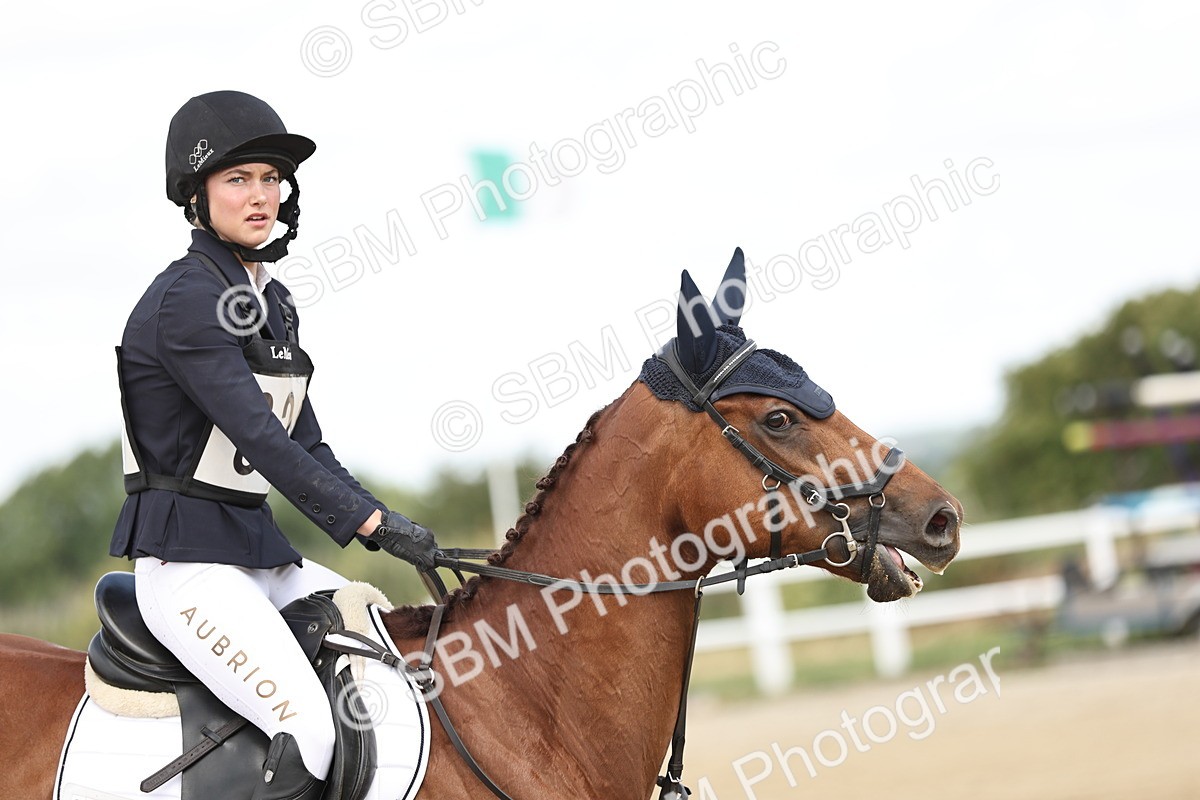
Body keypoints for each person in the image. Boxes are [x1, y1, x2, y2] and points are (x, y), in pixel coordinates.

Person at [109, 90, 438, 800]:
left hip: (261, 555)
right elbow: (259, 439)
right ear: (196, 196)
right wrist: (370, 524)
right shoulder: (186, 300)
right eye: (238, 179)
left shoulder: (271, 302)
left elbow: (307, 443)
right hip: (190, 567)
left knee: (387, 666)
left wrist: (392, 523)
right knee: (312, 732)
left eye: (271, 178)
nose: (261, 195)